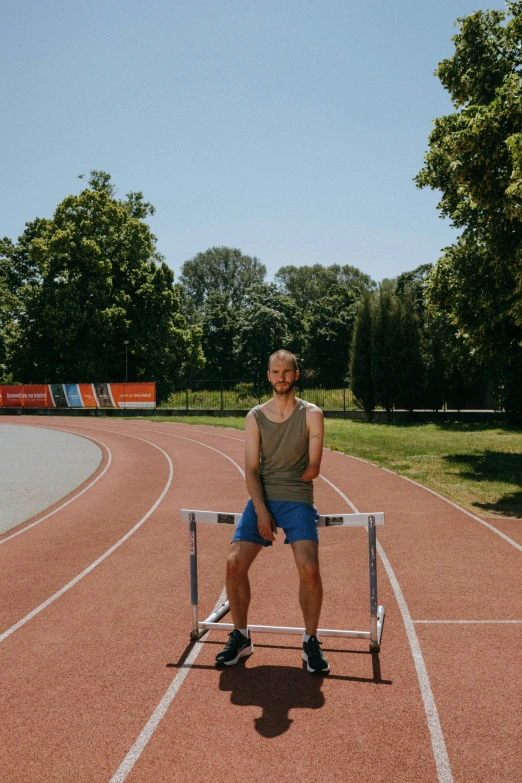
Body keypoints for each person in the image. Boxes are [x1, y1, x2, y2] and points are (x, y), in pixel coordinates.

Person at [215, 349, 329, 674]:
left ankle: (310, 641)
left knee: (309, 568)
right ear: (269, 376)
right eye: (275, 372)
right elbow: (251, 470)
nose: (281, 377)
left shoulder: (312, 415)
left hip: (298, 498)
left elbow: (313, 467)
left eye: (287, 371)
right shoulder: (254, 416)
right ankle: (241, 636)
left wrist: (291, 480)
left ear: (296, 375)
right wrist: (262, 510)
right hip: (262, 497)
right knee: (234, 563)